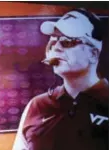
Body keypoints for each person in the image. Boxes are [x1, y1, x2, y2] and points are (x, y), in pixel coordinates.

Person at [13, 8, 109, 150]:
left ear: (93, 54)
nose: (56, 48)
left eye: (67, 42)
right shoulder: (37, 106)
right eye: (52, 42)